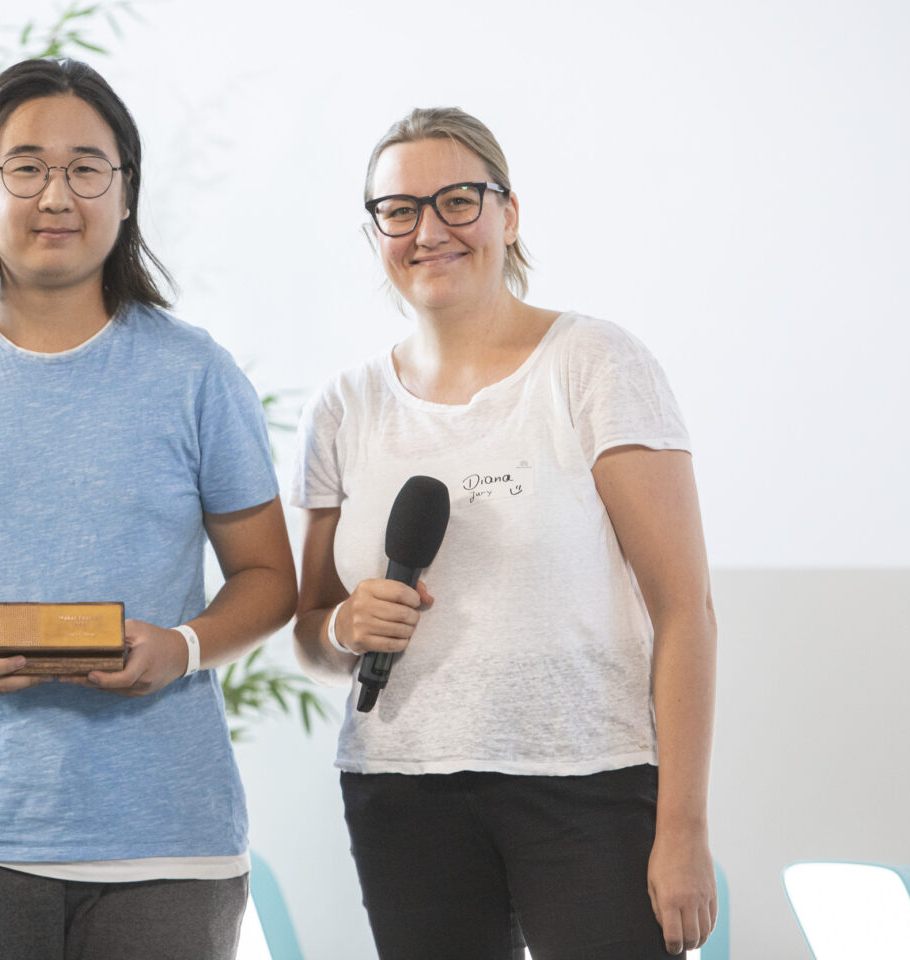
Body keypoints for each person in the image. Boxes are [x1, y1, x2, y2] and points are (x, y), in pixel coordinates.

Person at [0, 58, 296, 960]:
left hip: (167, 846)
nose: (56, 194)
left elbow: (270, 579)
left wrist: (181, 647)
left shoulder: (197, 376)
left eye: (86, 168)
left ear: (125, 191)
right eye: (25, 167)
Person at [291, 107, 718, 959]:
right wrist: (343, 627)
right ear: (375, 231)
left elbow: (686, 611)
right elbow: (311, 626)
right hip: (401, 792)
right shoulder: (342, 406)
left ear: (508, 213)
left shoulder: (595, 363)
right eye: (399, 210)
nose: (429, 230)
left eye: (458, 201)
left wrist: (683, 831)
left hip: (587, 788)